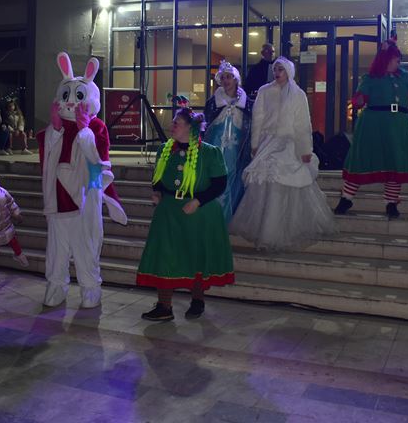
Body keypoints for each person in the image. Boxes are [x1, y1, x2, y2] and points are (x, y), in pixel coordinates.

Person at [37, 52, 126, 308]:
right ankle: (56, 286)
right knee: (57, 248)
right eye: (66, 95)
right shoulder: (55, 128)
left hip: (86, 196)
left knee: (86, 245)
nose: (71, 101)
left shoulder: (96, 127)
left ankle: (90, 289)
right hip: (58, 198)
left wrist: (84, 129)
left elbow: (97, 160)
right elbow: (48, 157)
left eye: (78, 96)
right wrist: (55, 129)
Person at [136, 105, 234, 321]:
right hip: (169, 212)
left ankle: (197, 300)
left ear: (191, 128)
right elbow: (158, 177)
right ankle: (164, 306)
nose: (172, 126)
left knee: (196, 256)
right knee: (165, 256)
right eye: (173, 123)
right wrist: (158, 192)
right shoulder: (165, 150)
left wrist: (197, 201)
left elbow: (219, 184)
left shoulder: (209, 152)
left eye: (177, 123)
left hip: (198, 212)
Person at [230, 56, 336, 249]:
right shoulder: (264, 91)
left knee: (286, 185)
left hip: (289, 144)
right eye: (275, 69)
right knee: (266, 185)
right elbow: (258, 119)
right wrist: (255, 144)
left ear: (288, 72)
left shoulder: (298, 94)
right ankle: (267, 231)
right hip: (268, 143)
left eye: (281, 69)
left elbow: (303, 124)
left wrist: (305, 149)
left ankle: (279, 231)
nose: (277, 73)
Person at [334, 40, 408, 218]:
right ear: (386, 59)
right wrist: (359, 100)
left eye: (399, 60)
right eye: (396, 59)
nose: (398, 63)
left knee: (395, 162)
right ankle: (346, 198)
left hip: (398, 124)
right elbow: (360, 98)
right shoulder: (371, 77)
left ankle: (391, 203)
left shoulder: (405, 77)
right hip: (374, 124)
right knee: (362, 160)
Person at [203, 60, 253, 224]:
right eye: (223, 77)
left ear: (235, 79)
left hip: (235, 150)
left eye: (229, 77)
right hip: (215, 148)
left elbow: (251, 128)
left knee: (231, 177)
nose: (226, 80)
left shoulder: (247, 104)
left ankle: (226, 219)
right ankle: (211, 217)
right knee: (214, 177)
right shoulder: (213, 103)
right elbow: (205, 127)